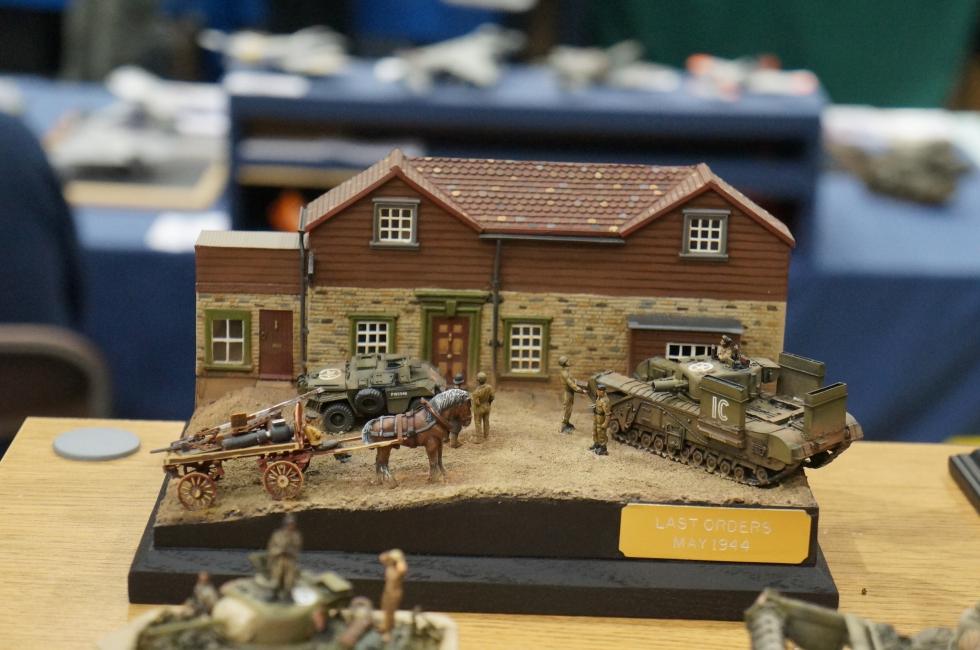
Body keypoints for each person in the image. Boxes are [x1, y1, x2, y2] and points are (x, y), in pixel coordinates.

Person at [267, 513, 302, 601]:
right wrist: (278, 551)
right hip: (278, 560)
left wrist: (289, 550)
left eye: (292, 524)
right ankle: (274, 594)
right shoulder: (277, 535)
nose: (290, 526)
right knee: (276, 577)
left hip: (290, 560)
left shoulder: (296, 535)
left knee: (289, 579)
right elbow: (271, 547)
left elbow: (297, 547)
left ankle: (288, 595)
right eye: (289, 524)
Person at [378, 549, 407, 642]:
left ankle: (389, 631)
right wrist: (389, 555)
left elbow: (403, 569)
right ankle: (385, 626)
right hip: (387, 591)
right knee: (385, 609)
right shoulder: (390, 566)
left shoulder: (399, 568)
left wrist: (399, 560)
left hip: (394, 592)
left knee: (390, 612)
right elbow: (381, 557)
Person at [559, 355, 587, 434]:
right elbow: (571, 384)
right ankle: (563, 427)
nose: (569, 362)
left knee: (570, 409)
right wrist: (581, 390)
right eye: (567, 361)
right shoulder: (565, 373)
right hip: (568, 393)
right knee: (567, 410)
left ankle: (567, 423)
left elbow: (573, 380)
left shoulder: (567, 371)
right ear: (564, 363)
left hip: (570, 392)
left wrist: (582, 384)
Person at [470, 371, 494, 441]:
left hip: (479, 408)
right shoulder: (489, 387)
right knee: (486, 421)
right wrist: (488, 402)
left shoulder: (476, 392)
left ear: (478, 381)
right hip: (487, 406)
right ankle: (486, 436)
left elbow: (477, 402)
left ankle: (479, 438)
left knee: (478, 422)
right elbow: (492, 397)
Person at [590, 384, 611, 456]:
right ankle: (596, 444)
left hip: (601, 419)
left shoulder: (605, 401)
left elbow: (608, 414)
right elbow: (598, 405)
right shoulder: (599, 397)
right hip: (596, 417)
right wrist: (595, 406)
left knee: (601, 433)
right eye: (598, 390)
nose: (597, 392)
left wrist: (605, 423)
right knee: (594, 431)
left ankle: (603, 448)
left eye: (599, 391)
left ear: (603, 391)